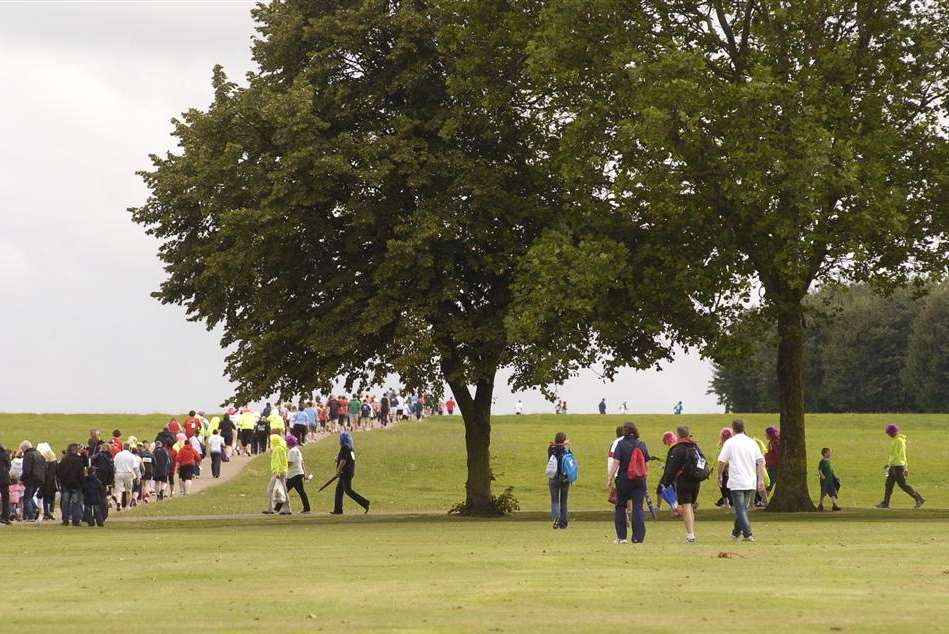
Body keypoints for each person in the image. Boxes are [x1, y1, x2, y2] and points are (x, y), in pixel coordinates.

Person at [717, 419, 766, 542]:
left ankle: (748, 534)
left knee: (740, 509)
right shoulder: (752, 442)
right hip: (750, 481)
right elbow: (761, 461)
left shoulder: (730, 443)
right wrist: (760, 479)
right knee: (742, 508)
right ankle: (735, 533)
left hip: (736, 481)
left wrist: (719, 475)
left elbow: (721, 461)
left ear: (733, 429)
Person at [658, 426, 706, 543]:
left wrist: (664, 483)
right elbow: (703, 461)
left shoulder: (677, 449)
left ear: (678, 435)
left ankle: (690, 536)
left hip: (684, 480)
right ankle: (691, 533)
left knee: (686, 506)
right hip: (696, 480)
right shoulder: (695, 446)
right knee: (689, 505)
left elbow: (671, 469)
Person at [607, 422, 650, 544]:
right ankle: (638, 537)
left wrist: (610, 478)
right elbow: (646, 464)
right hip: (639, 480)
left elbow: (616, 463)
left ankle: (622, 537)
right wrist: (644, 476)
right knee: (638, 507)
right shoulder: (642, 444)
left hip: (624, 480)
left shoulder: (621, 444)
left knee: (621, 506)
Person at [876, 424, 925, 509]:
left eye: (889, 433)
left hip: (897, 467)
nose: (888, 435)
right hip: (894, 466)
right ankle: (885, 503)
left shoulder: (898, 441)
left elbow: (896, 455)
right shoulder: (896, 440)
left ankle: (919, 498)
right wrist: (904, 467)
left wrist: (889, 464)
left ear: (893, 432)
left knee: (903, 485)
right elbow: (903, 456)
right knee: (888, 485)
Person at [332, 431, 370, 515]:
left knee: (348, 491)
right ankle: (338, 510)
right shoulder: (350, 448)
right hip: (349, 472)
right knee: (339, 491)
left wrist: (338, 470)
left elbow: (343, 460)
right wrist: (337, 459)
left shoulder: (345, 447)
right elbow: (344, 458)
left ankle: (365, 503)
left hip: (345, 472)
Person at [57, 443, 85, 527]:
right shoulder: (78, 460)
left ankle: (65, 520)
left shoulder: (64, 459)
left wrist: (62, 481)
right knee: (76, 503)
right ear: (74, 450)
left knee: (65, 502)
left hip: (66, 484)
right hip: (76, 484)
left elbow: (59, 471)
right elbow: (81, 473)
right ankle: (76, 520)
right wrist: (81, 483)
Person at [547, 432, 570, 529]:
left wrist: (563, 444)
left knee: (554, 500)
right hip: (564, 477)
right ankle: (563, 523)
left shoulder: (551, 448)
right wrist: (565, 445)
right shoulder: (565, 449)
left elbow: (555, 449)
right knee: (564, 501)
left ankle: (556, 518)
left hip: (553, 477)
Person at [264, 433, 290, 515]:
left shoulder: (277, 449)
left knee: (270, 490)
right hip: (282, 471)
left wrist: (278, 472)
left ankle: (271, 509)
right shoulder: (281, 448)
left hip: (278, 472)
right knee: (284, 490)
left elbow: (278, 461)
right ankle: (286, 509)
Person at [19, 440, 45, 521]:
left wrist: (22, 479)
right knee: (30, 497)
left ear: (25, 448)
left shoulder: (28, 455)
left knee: (27, 497)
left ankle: (31, 516)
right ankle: (36, 509)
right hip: (39, 479)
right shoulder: (38, 454)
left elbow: (26, 470)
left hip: (31, 479)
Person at [285, 435, 310, 514]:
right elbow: (302, 462)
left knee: (285, 490)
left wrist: (283, 468)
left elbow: (290, 463)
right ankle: (307, 508)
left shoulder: (291, 451)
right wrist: (304, 473)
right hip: (298, 473)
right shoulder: (298, 450)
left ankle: (276, 508)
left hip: (293, 474)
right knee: (301, 492)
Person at [113, 445, 138, 510]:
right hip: (128, 473)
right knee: (128, 490)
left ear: (123, 448)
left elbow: (114, 465)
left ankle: (119, 502)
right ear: (129, 448)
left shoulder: (118, 454)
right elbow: (135, 467)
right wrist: (136, 476)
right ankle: (127, 505)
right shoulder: (132, 456)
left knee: (119, 490)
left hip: (118, 473)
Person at [817, 448, 841, 512]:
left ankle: (834, 505)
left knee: (832, 492)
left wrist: (835, 477)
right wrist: (822, 475)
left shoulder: (829, 461)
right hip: (825, 481)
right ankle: (820, 504)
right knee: (823, 493)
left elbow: (831, 470)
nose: (830, 454)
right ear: (825, 454)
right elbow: (819, 469)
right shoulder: (822, 461)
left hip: (830, 480)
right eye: (828, 453)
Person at [714, 427, 733, 508]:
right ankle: (726, 503)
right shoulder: (720, 444)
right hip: (722, 467)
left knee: (727, 486)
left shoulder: (732, 444)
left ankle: (730, 502)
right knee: (722, 486)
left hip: (729, 468)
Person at [764, 426, 781, 493]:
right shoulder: (773, 441)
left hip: (774, 466)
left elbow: (778, 454)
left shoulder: (775, 442)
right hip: (772, 465)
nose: (765, 435)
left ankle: (763, 500)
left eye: (766, 434)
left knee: (769, 484)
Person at [0, 443, 11, 524]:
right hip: (4, 479)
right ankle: (5, 517)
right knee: (6, 499)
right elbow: (8, 466)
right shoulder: (5, 454)